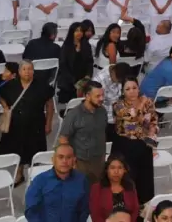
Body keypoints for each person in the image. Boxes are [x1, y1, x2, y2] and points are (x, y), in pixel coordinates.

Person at [0, 59, 55, 184]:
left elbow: (50, 105)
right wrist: (6, 107)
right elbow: (0, 95)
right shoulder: (10, 85)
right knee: (16, 149)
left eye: (30, 69)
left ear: (33, 71)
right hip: (15, 125)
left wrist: (48, 122)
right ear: (19, 71)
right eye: (24, 69)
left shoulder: (42, 86)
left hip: (36, 124)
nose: (27, 72)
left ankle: (34, 176)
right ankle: (19, 174)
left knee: (34, 150)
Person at [109, 77, 158, 205]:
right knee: (127, 178)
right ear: (123, 91)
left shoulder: (149, 102)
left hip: (143, 145)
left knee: (144, 180)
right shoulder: (118, 106)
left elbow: (153, 122)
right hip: (125, 146)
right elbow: (131, 119)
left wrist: (152, 144)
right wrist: (141, 105)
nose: (132, 91)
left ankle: (141, 206)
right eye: (128, 89)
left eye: (134, 88)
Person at [25, 143, 91, 222]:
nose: (64, 161)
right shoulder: (39, 181)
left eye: (68, 157)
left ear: (74, 160)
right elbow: (31, 211)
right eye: (60, 157)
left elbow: (84, 209)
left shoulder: (82, 180)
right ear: (53, 160)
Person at [58, 80, 108, 184]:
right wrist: (71, 162)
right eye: (97, 96)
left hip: (99, 160)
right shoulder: (73, 115)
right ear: (87, 96)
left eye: (102, 95)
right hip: (81, 162)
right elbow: (63, 139)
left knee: (96, 191)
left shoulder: (102, 111)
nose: (101, 99)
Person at [89, 152, 140, 222]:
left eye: (120, 168)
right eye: (112, 168)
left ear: (124, 170)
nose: (116, 171)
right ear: (107, 170)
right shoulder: (97, 188)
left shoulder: (130, 186)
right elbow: (95, 214)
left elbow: (135, 210)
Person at [58, 22, 94, 106]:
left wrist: (88, 75)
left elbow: (90, 62)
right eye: (76, 31)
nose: (79, 33)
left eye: (81, 31)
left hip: (83, 79)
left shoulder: (86, 45)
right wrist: (74, 82)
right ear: (72, 32)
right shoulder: (66, 47)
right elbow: (63, 66)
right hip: (69, 81)